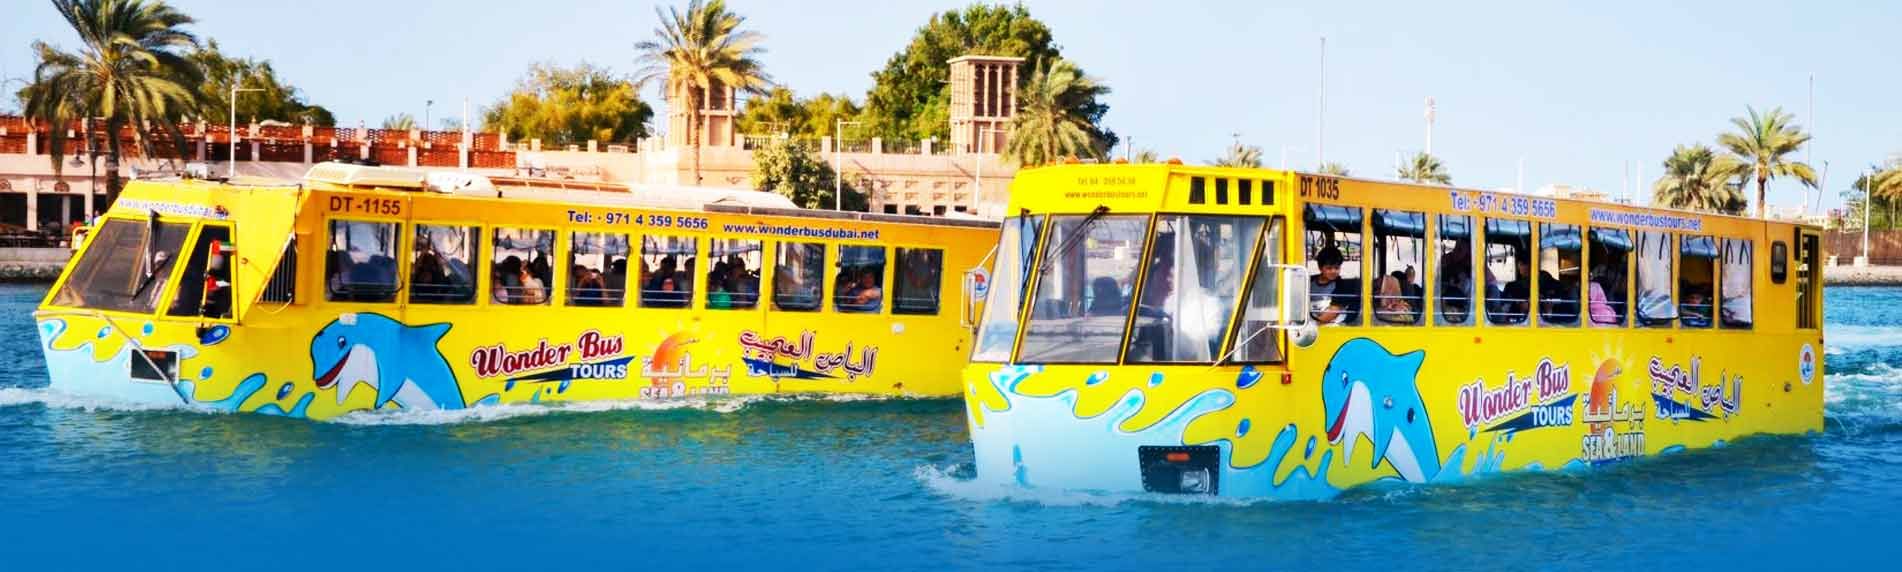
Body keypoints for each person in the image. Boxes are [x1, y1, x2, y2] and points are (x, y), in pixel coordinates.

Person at [1309, 245, 1357, 325]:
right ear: (1320, 268)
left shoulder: (1341, 285)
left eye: (1337, 268)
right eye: (1329, 268)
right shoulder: (1309, 281)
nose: (1333, 271)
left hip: (1331, 323)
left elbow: (1333, 312)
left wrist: (1312, 325)